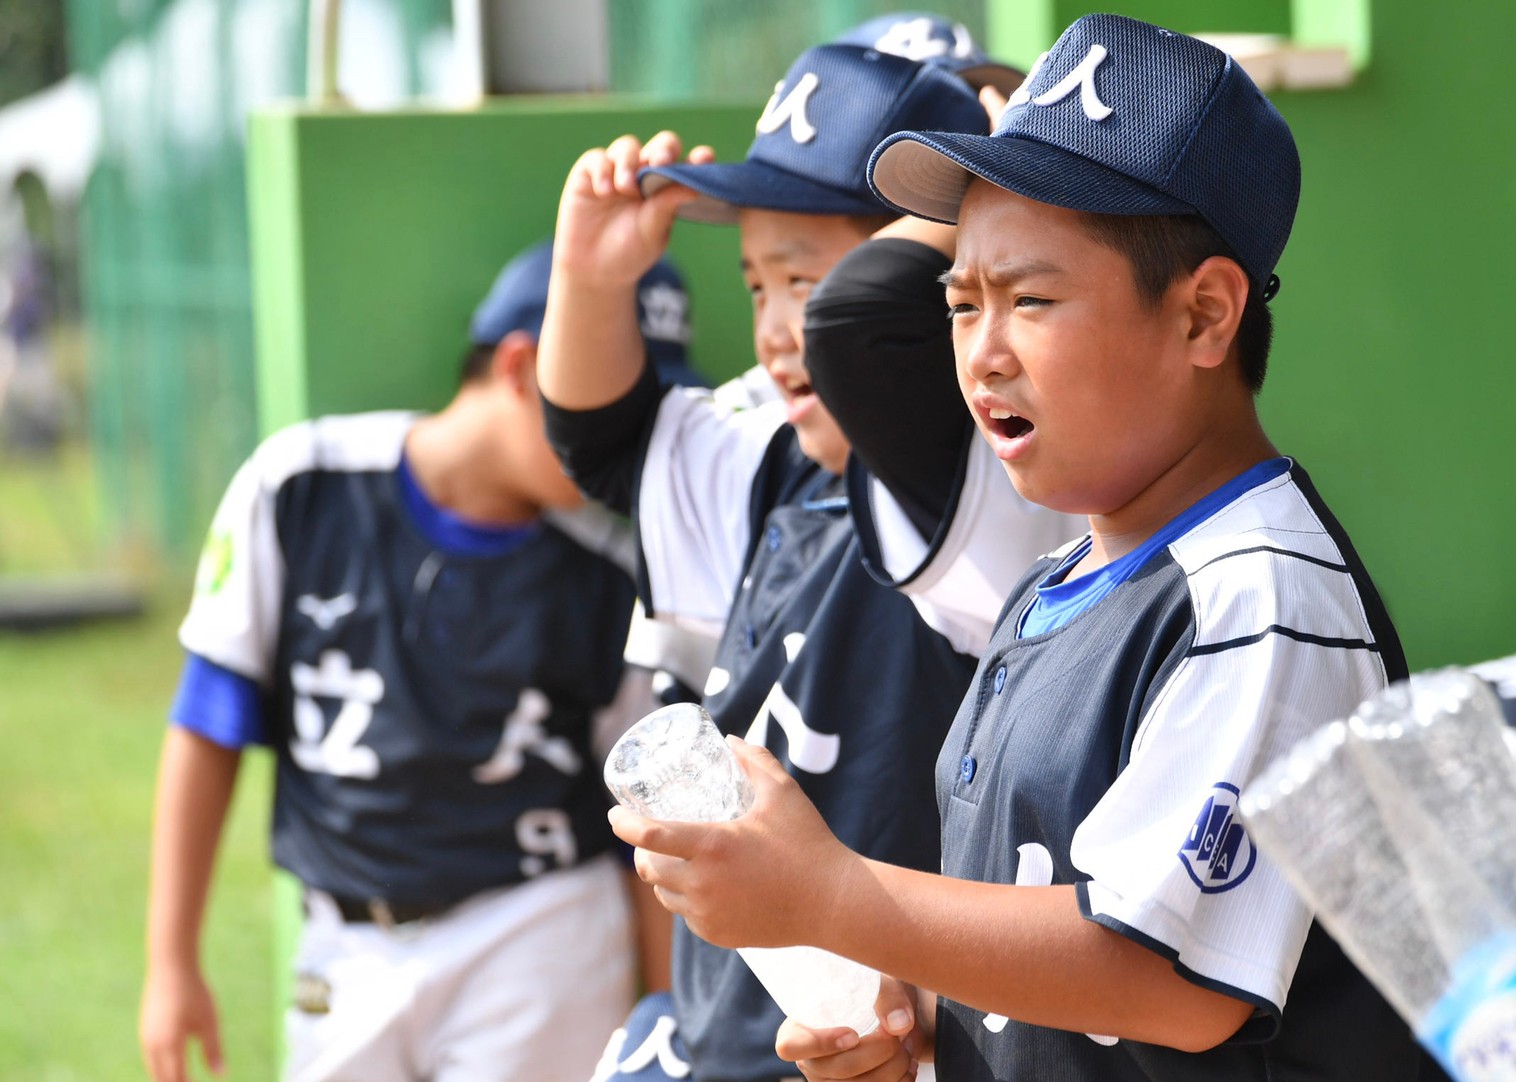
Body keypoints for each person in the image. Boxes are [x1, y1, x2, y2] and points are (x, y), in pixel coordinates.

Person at [610, 14, 1425, 1081]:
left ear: (1203, 316)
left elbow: (1166, 978)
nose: (982, 352)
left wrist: (834, 895)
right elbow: (1039, 937)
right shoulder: (1053, 581)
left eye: (1030, 299)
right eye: (961, 302)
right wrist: (911, 1018)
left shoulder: (1261, 589)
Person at [539, 38, 1078, 1082]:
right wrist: (589, 280)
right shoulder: (776, 466)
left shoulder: (986, 485)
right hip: (733, 1027)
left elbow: (866, 322)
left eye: (805, 280)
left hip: (898, 1040)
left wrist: (980, 193)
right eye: (757, 285)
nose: (782, 329)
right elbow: (602, 442)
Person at [139, 241, 696, 1082]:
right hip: (344, 937)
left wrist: (667, 1019)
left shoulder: (613, 564)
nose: (625, 442)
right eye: (611, 404)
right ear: (521, 368)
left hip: (536, 930)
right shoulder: (302, 482)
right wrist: (170, 961)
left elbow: (645, 820)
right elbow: (209, 720)